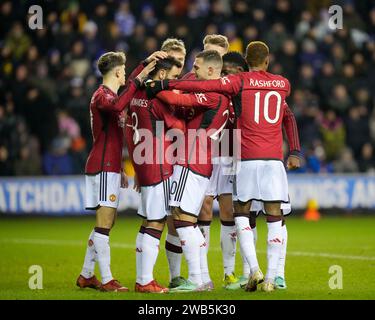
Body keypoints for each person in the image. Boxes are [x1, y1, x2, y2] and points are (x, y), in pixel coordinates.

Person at [147, 41, 301, 292]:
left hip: (233, 157)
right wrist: (294, 151)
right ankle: (268, 276)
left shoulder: (236, 85)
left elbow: (200, 91)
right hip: (257, 158)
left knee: (236, 214)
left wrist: (161, 85)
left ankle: (244, 272)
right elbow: (287, 113)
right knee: (268, 214)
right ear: (267, 60)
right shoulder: (281, 84)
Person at [76, 51, 155, 292]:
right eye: (125, 70)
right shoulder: (102, 95)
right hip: (101, 166)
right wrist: (139, 79)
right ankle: (107, 279)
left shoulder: (109, 94)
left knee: (106, 222)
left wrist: (145, 64)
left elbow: (125, 93)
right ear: (118, 72)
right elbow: (121, 103)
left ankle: (87, 275)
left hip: (109, 166)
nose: (126, 75)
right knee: (105, 222)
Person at [154, 50, 231, 292]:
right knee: (187, 219)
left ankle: (197, 280)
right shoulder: (221, 97)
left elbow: (179, 100)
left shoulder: (214, 95)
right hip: (201, 162)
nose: (192, 71)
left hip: (191, 160)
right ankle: (203, 278)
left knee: (183, 219)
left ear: (211, 70)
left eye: (196, 67)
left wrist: (154, 87)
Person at [125, 57, 185, 293]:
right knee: (156, 221)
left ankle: (142, 278)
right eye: (173, 76)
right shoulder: (157, 97)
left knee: (147, 222)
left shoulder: (136, 94)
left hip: (143, 159)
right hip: (158, 160)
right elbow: (177, 127)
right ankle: (144, 281)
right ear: (161, 75)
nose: (175, 81)